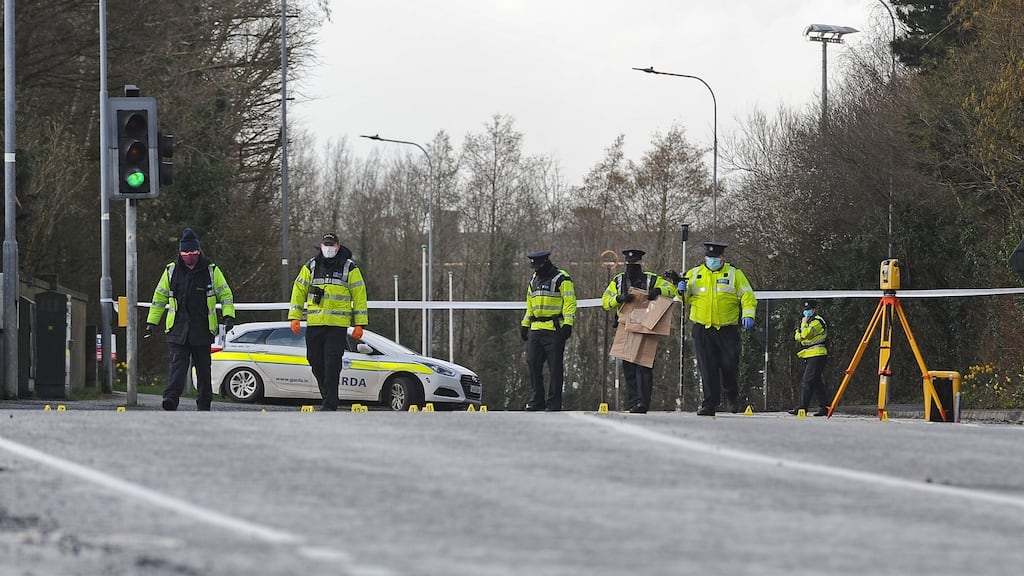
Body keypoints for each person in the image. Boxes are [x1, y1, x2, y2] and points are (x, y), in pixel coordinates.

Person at [146, 228, 235, 411]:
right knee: (178, 365)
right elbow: (159, 298)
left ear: (199, 251)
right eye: (185, 253)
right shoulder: (171, 271)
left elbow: (225, 294)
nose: (189, 256)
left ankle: (204, 403)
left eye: (192, 252)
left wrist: (228, 316)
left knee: (203, 369)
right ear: (180, 253)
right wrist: (152, 322)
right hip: (178, 328)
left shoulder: (211, 271)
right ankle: (170, 398)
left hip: (202, 328)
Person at [671, 240, 757, 416]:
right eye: (709, 257)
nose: (712, 260)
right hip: (703, 329)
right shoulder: (695, 274)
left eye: (716, 257)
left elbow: (747, 296)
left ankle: (731, 394)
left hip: (727, 329)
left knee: (729, 364)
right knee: (707, 367)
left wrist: (748, 314)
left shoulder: (734, 274)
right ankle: (710, 403)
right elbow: (683, 298)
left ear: (723, 257)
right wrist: (680, 289)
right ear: (705, 258)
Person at [288, 232, 368, 411]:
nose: (328, 247)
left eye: (331, 244)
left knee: (332, 363)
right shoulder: (311, 265)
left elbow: (360, 295)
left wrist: (360, 323)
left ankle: (330, 403)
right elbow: (299, 290)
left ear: (338, 246)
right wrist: (294, 316)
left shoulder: (350, 268)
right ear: (321, 246)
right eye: (326, 244)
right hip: (315, 323)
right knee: (314, 359)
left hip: (337, 325)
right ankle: (327, 394)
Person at [602, 249, 675, 413]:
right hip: (625, 326)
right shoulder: (618, 280)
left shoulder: (651, 279)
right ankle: (633, 402)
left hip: (646, 326)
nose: (632, 266)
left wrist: (659, 291)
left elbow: (671, 289)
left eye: (635, 264)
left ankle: (642, 403)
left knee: (643, 366)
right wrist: (618, 299)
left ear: (641, 263)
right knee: (628, 368)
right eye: (629, 264)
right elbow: (605, 302)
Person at [520, 250, 577, 411]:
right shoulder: (534, 279)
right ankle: (537, 401)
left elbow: (570, 303)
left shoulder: (562, 278)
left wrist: (568, 323)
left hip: (554, 330)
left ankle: (554, 402)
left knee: (555, 368)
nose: (535, 269)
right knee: (533, 365)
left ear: (545, 263)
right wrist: (525, 324)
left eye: (538, 266)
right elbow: (530, 305)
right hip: (535, 329)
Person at [790, 299, 830, 416]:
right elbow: (797, 336)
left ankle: (802, 408)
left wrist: (803, 325)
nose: (806, 312)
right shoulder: (807, 322)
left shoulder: (817, 322)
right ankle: (825, 406)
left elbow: (805, 334)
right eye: (805, 310)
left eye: (809, 309)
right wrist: (803, 329)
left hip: (818, 354)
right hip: (810, 354)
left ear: (814, 310)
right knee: (816, 382)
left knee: (807, 381)